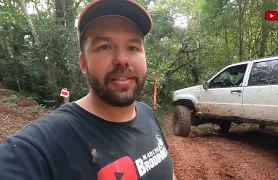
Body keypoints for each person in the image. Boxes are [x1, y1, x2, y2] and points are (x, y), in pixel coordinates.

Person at [0, 0, 177, 179]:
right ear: (83, 64)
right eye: (104, 47)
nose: (122, 59)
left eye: (133, 47)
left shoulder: (147, 114)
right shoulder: (41, 147)